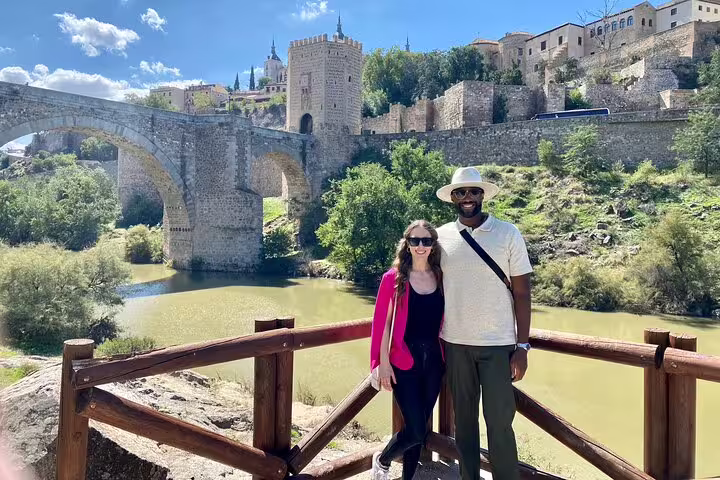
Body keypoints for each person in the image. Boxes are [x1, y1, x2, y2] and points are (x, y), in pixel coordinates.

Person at [435, 167, 533, 480]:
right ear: (452, 198)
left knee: (500, 423)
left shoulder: (508, 233)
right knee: (464, 423)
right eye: (461, 192)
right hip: (456, 344)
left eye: (473, 192)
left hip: (498, 346)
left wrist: (522, 345)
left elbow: (522, 292)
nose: (467, 198)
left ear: (482, 196)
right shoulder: (440, 237)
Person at [369, 220, 445, 480]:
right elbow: (383, 324)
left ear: (433, 244)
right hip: (404, 362)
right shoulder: (394, 278)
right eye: (415, 241)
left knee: (420, 427)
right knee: (413, 429)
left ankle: (408, 478)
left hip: (435, 362)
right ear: (407, 244)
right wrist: (382, 363)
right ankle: (382, 460)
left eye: (426, 241)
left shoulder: (440, 276)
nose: (421, 246)